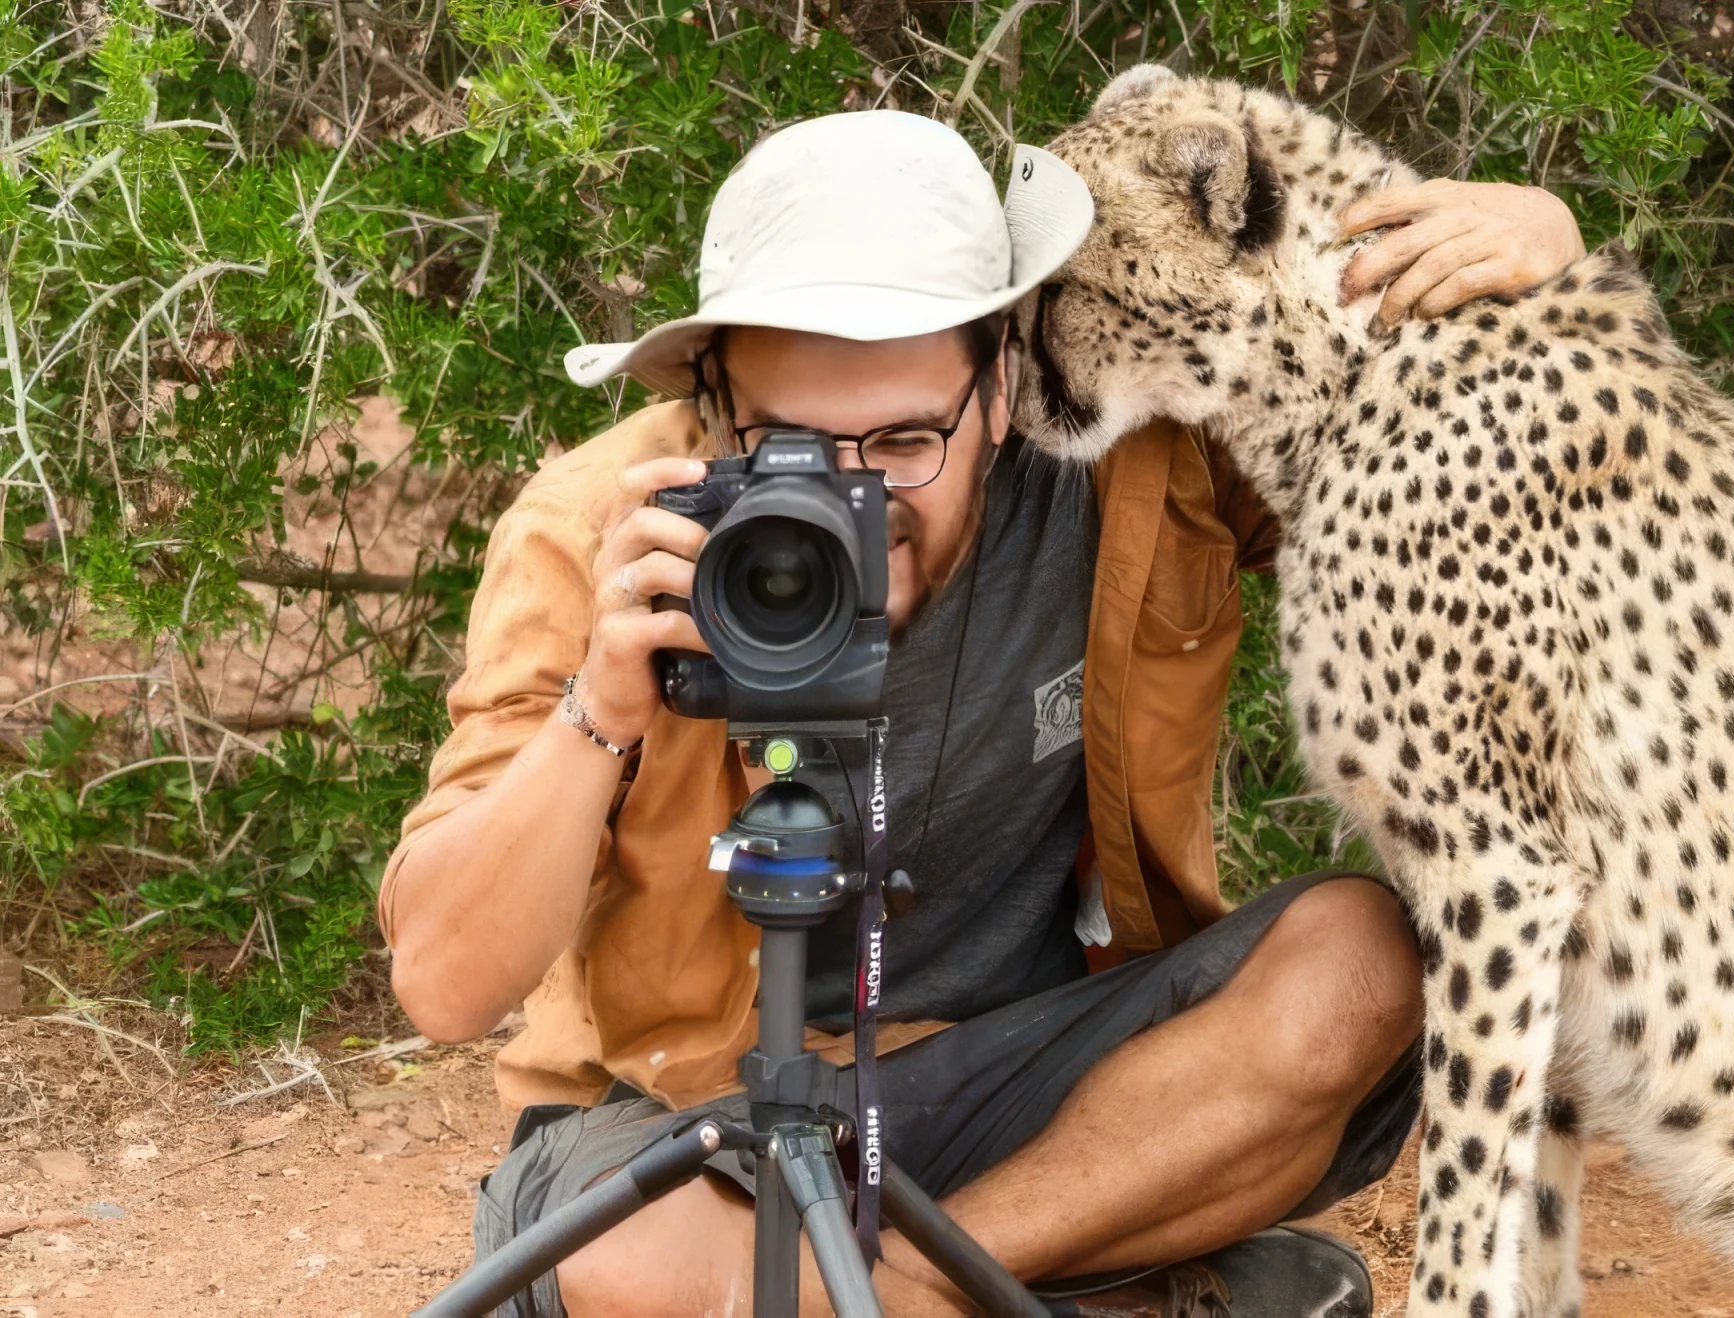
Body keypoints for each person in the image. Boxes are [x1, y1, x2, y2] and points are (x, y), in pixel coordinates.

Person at [380, 107, 1586, 1318]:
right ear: (715, 398)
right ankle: (1090, 1293)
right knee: (618, 1263)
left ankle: (913, 1291)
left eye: (906, 439)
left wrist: (1540, 253)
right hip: (689, 1112)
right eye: (791, 443)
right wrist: (600, 708)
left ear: (1001, 383)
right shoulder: (606, 527)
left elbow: (1440, 450)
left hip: (1026, 1088)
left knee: (1361, 965)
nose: (856, 494)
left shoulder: (1132, 471)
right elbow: (445, 984)